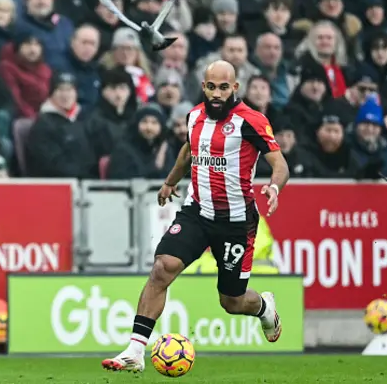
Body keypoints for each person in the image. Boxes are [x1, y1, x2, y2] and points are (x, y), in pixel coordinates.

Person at [102, 60, 290, 373]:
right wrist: (170, 181)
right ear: (203, 86)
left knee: (231, 301)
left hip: (236, 222)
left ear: (235, 88)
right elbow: (188, 152)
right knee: (162, 268)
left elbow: (280, 163)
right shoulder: (194, 116)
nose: (217, 93)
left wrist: (274, 186)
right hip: (197, 212)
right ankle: (135, 351)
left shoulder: (252, 121)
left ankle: (263, 307)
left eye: (223, 87)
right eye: (211, 87)